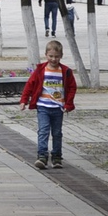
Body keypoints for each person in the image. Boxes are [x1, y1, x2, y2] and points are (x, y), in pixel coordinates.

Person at [19, 39, 77, 169]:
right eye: (51, 56)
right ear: (46, 55)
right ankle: (42, 156)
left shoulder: (65, 72)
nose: (54, 59)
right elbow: (30, 85)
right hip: (43, 106)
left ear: (61, 56)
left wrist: (68, 104)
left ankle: (56, 157)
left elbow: (72, 87)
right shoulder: (41, 70)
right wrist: (24, 100)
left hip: (58, 108)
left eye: (56, 57)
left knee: (57, 133)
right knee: (43, 131)